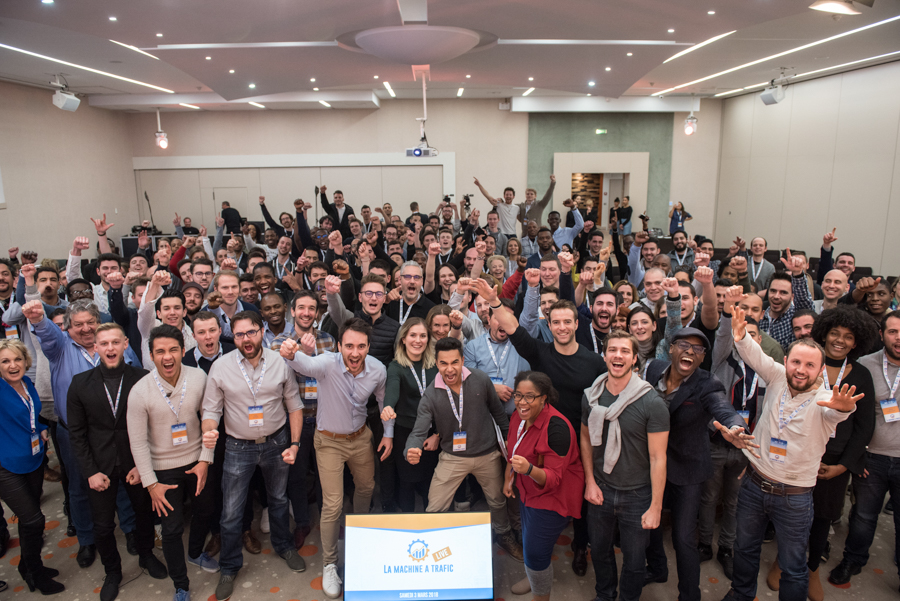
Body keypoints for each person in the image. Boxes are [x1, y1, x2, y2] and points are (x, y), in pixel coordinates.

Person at [721, 306, 863, 601]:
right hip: (753, 486)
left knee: (794, 565)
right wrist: (739, 335)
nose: (801, 369)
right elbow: (755, 355)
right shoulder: (776, 378)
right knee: (744, 549)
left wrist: (845, 406)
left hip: (794, 498)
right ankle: (741, 595)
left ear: (821, 370)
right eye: (796, 362)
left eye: (810, 365)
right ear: (785, 362)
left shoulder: (825, 400)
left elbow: (841, 412)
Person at [480, 277, 605, 577]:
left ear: (577, 324)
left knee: (581, 503)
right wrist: (494, 301)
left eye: (567, 322)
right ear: (549, 325)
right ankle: (539, 555)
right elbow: (512, 327)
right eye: (556, 322)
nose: (561, 327)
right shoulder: (539, 353)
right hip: (542, 441)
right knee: (541, 497)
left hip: (580, 443)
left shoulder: (594, 362)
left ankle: (579, 548)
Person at [24, 298, 141, 569]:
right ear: (68, 328)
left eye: (91, 323)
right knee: (79, 487)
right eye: (78, 325)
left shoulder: (115, 347)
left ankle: (131, 529)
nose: (86, 329)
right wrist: (39, 320)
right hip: (74, 434)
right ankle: (87, 539)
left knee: (122, 480)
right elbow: (48, 333)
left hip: (116, 431)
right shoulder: (60, 347)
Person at [279, 317, 389, 599]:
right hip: (328, 442)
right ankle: (329, 563)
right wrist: (291, 353)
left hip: (361, 438)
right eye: (349, 346)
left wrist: (387, 434)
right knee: (333, 505)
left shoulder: (377, 369)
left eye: (361, 346)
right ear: (339, 346)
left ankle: (358, 539)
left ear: (368, 347)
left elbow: (383, 401)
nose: (355, 353)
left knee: (366, 488)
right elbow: (304, 364)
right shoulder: (327, 363)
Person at [643, 328, 755, 601]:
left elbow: (723, 408)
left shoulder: (707, 384)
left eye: (698, 349)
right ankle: (657, 569)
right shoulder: (653, 370)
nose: (690, 351)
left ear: (703, 357)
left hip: (688, 469)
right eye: (684, 345)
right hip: (651, 465)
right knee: (651, 526)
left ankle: (689, 595)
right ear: (671, 349)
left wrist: (735, 427)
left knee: (682, 538)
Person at [201, 311, 306, 601]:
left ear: (262, 332)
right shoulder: (221, 368)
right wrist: (209, 430)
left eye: (251, 332)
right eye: (239, 335)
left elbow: (294, 405)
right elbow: (211, 410)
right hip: (238, 446)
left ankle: (284, 546)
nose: (246, 340)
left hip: (276, 442)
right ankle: (229, 566)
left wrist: (295, 444)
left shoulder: (280, 363)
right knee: (232, 512)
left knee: (278, 500)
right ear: (232, 337)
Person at [773, 306, 875, 599]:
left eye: (848, 336)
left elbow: (864, 427)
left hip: (832, 464)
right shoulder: (809, 364)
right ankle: (782, 561)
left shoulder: (862, 375)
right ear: (824, 333)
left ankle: (812, 570)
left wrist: (843, 467)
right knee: (789, 515)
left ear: (857, 342)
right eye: (834, 333)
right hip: (800, 455)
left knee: (820, 520)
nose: (840, 340)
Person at [68, 324, 167, 601]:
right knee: (102, 525)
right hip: (99, 467)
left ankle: (147, 557)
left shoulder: (144, 377)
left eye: (115, 342)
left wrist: (142, 464)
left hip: (136, 462)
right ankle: (112, 571)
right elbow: (76, 434)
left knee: (144, 515)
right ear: (96, 348)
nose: (110, 348)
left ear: (125, 344)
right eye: (104, 343)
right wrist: (90, 471)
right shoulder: (80, 383)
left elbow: (154, 425)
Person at [405, 336, 523, 560]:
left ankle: (504, 535)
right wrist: (411, 448)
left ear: (462, 360)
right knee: (435, 506)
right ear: (436, 363)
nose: (450, 369)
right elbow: (418, 430)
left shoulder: (479, 379)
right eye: (443, 363)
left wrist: (508, 439)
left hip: (487, 454)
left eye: (455, 362)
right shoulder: (431, 393)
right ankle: (431, 546)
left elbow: (498, 413)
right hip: (452, 457)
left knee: (498, 501)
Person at [127, 325, 218, 601]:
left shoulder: (199, 377)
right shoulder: (140, 391)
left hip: (198, 461)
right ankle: (181, 585)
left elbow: (209, 419)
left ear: (183, 351)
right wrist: (151, 484)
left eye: (173, 350)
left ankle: (194, 554)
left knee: (205, 511)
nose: (168, 357)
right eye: (160, 351)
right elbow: (138, 442)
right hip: (163, 469)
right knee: (172, 528)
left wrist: (205, 459)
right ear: (151, 355)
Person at [581, 330, 668, 601]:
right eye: (613, 350)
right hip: (601, 489)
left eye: (625, 351)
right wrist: (590, 482)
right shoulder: (591, 396)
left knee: (633, 560)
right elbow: (585, 440)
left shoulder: (652, 402)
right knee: (600, 551)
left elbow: (658, 458)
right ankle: (605, 595)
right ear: (604, 356)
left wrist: (655, 507)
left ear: (633, 360)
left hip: (637, 494)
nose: (618, 355)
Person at [830, 310, 900, 587]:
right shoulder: (865, 365)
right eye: (893, 331)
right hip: (872, 457)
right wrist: (857, 455)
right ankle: (853, 560)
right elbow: (855, 418)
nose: (899, 337)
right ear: (881, 335)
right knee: (863, 516)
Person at [498, 370, 583, 600]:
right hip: (528, 490)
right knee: (532, 542)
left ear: (544, 397)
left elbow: (554, 479)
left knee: (535, 550)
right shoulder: (519, 415)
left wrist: (526, 469)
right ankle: (534, 573)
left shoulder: (557, 428)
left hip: (554, 497)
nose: (522, 402)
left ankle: (540, 593)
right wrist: (509, 477)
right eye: (518, 395)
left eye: (530, 396)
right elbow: (513, 448)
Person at [271, 289, 337, 550]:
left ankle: (328, 522)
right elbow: (278, 379)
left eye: (312, 308)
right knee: (296, 476)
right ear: (292, 311)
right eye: (302, 308)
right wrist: (301, 355)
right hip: (294, 421)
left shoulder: (328, 340)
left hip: (323, 418)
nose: (307, 313)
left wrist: (309, 356)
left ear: (318, 314)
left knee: (326, 476)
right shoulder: (279, 342)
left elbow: (330, 376)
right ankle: (302, 523)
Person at [0, 339, 64, 594]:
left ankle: (27, 566)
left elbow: (31, 417)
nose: (13, 365)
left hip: (34, 459)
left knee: (29, 520)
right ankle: (35, 574)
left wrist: (44, 428)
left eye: (17, 359)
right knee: (35, 520)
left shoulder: (27, 383)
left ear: (26, 361)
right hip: (6, 467)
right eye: (5, 361)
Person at [379, 317, 440, 512]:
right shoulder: (396, 366)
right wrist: (388, 406)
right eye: (412, 335)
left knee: (431, 481)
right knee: (406, 482)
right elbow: (392, 389)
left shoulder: (435, 365)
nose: (418, 340)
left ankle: (432, 526)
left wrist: (437, 435)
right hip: (406, 432)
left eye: (423, 336)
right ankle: (409, 526)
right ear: (403, 339)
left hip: (432, 431)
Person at [463, 298, 531, 414]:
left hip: (519, 416)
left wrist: (532, 286)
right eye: (499, 318)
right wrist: (492, 388)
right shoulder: (472, 347)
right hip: (485, 418)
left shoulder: (523, 344)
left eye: (508, 318)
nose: (504, 322)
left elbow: (531, 316)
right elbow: (469, 382)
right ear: (488, 320)